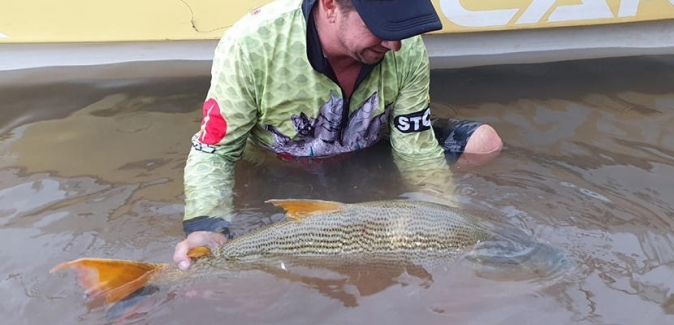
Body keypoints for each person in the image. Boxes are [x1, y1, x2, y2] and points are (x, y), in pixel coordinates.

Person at [174, 0, 503, 270]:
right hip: (282, 162)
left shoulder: (405, 48)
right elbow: (214, 151)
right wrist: (207, 227)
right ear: (330, 6)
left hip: (371, 143)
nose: (395, 44)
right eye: (381, 28)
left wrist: (444, 219)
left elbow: (416, 149)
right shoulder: (252, 44)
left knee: (484, 143)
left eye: (399, 28)